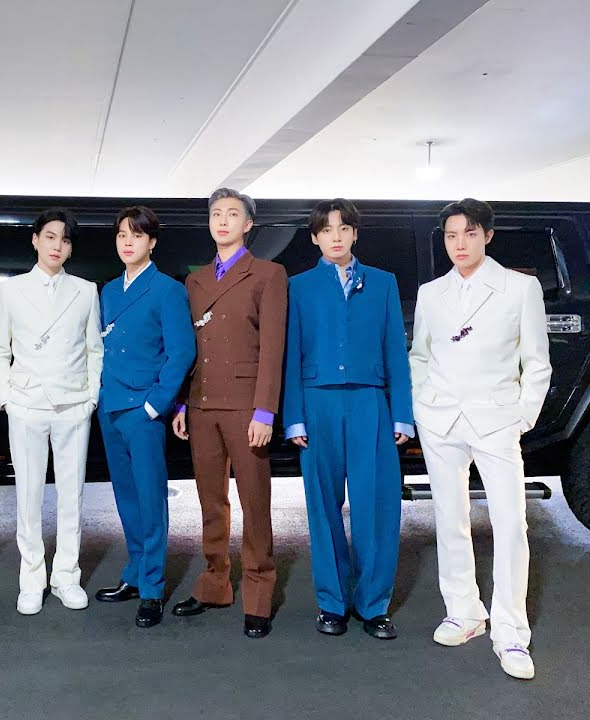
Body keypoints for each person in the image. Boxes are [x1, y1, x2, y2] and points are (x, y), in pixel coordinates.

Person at [409, 198, 551, 680]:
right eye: (451, 236)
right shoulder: (432, 293)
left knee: (511, 523)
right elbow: (420, 355)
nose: (460, 244)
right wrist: (422, 405)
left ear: (487, 236)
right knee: (449, 518)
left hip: (497, 420)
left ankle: (511, 632)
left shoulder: (520, 288)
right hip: (440, 420)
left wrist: (521, 417)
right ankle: (464, 611)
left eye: (469, 234)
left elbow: (537, 361)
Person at [282, 198, 413, 640]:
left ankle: (374, 605)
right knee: (322, 507)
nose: (335, 237)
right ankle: (332, 603)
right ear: (315, 238)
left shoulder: (382, 282)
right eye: (326, 230)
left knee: (377, 503)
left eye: (343, 228)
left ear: (355, 234)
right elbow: (291, 354)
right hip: (316, 402)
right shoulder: (299, 287)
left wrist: (402, 414)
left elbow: (395, 349)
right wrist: (294, 417)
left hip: (369, 402)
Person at [170, 188, 287, 638]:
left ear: (248, 224)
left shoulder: (268, 274)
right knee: (210, 501)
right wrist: (182, 401)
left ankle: (258, 593)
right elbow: (190, 346)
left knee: (255, 501)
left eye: (232, 213)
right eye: (216, 213)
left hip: (246, 405)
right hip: (202, 403)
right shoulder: (195, 280)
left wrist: (265, 410)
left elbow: (273, 348)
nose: (222, 220)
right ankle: (215, 583)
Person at [0, 208, 103, 615]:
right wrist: (6, 399)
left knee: (72, 496)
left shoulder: (85, 290)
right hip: (27, 405)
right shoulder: (12, 290)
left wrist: (90, 399)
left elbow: (94, 349)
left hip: (73, 404)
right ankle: (32, 579)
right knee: (29, 496)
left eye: (65, 240)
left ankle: (67, 576)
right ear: (35, 240)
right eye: (50, 237)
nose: (57, 246)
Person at [93, 206, 196, 628]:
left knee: (151, 499)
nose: (127, 242)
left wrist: (156, 405)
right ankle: (135, 573)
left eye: (136, 235)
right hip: (111, 405)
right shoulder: (108, 291)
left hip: (143, 408)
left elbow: (182, 352)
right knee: (126, 497)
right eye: (122, 235)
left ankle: (152, 587)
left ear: (151, 242)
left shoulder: (167, 290)